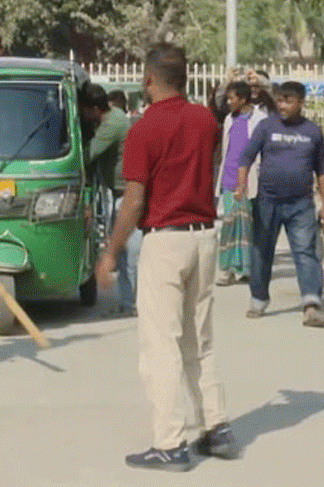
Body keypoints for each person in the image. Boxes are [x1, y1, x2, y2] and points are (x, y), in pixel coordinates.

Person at [96, 43, 236, 472]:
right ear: (188, 78)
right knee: (200, 339)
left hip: (166, 239)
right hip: (203, 235)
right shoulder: (205, 120)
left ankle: (170, 442)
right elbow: (209, 166)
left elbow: (134, 199)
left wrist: (110, 251)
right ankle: (216, 427)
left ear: (147, 80)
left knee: (161, 345)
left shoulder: (144, 129)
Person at [235, 82, 324, 327]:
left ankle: (311, 305)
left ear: (301, 103)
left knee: (306, 253)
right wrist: (241, 185)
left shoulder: (312, 131)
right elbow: (246, 157)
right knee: (261, 252)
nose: (282, 105)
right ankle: (258, 298)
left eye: (289, 100)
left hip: (301, 204)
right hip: (267, 202)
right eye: (280, 100)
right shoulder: (266, 126)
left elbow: (322, 170)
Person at [81, 83, 138, 315]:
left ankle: (132, 302)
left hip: (125, 194)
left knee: (127, 253)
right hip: (115, 192)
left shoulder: (112, 124)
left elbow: (88, 155)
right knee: (125, 252)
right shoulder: (109, 118)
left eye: (84, 110)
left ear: (94, 108)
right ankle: (128, 302)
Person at [215, 81, 267, 286]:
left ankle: (244, 268)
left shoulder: (260, 119)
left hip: (249, 179)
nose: (228, 102)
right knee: (229, 223)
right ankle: (226, 268)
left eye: (232, 98)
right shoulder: (229, 119)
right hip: (229, 178)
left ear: (243, 99)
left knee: (245, 224)